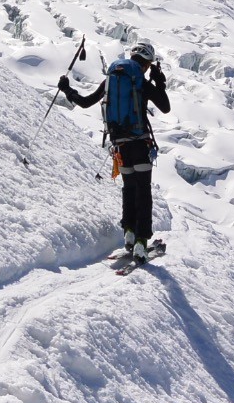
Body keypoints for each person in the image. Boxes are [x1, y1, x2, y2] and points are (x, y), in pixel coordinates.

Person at [60, 40, 170, 262]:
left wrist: (67, 89)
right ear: (147, 64)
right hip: (140, 143)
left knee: (129, 188)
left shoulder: (112, 78)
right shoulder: (140, 81)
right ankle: (141, 241)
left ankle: (128, 232)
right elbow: (165, 107)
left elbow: (85, 102)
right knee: (143, 191)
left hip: (119, 145)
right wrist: (159, 82)